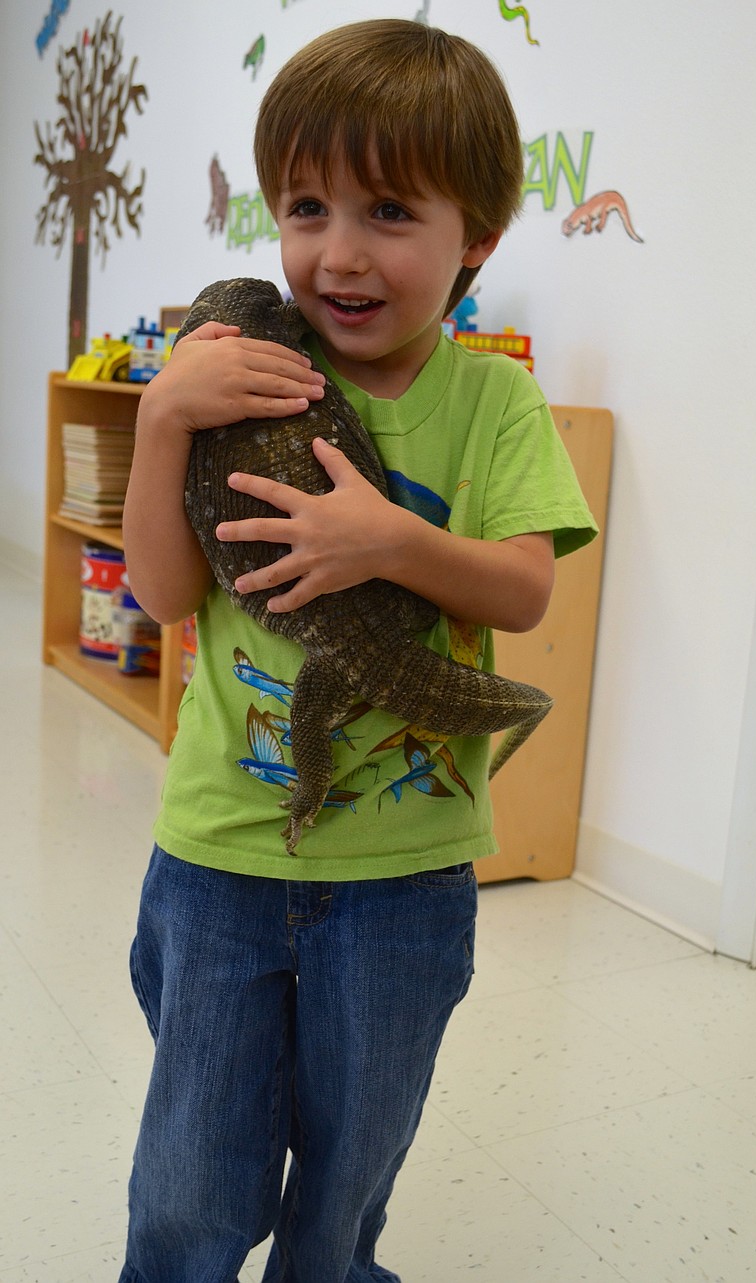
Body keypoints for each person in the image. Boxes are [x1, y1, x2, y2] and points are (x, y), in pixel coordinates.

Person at [119, 17, 597, 1283]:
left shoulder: (495, 399)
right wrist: (163, 417)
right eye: (306, 205)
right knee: (184, 1180)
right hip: (219, 848)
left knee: (348, 1175)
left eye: (389, 209)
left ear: (474, 245)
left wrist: (385, 539)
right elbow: (166, 596)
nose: (337, 250)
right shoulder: (241, 380)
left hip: (408, 875)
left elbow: (524, 589)